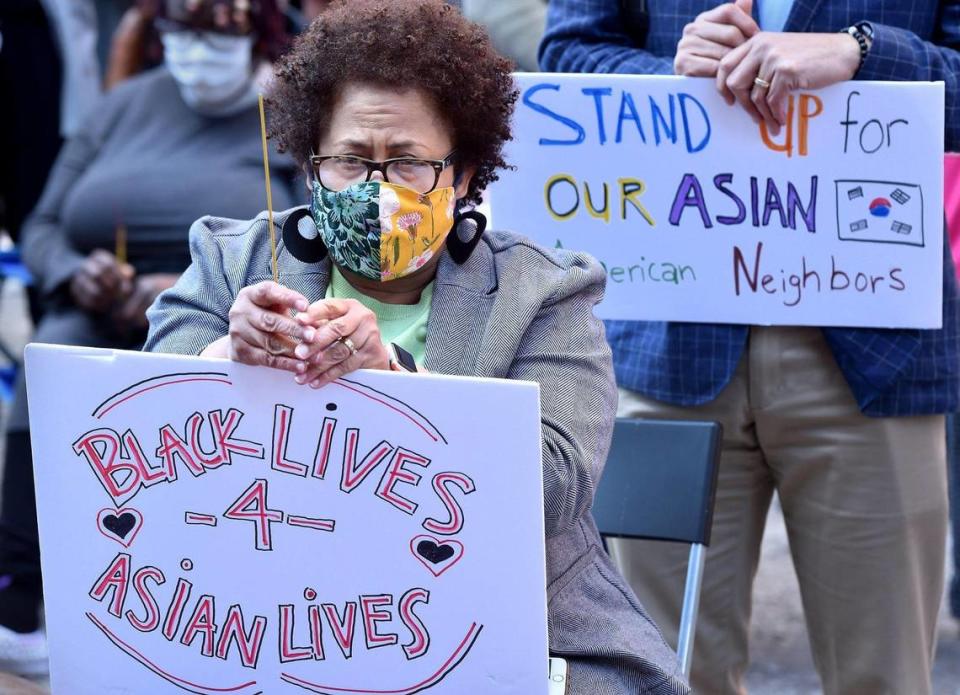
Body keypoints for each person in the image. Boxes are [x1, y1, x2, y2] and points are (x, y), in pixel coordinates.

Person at [144, 1, 689, 691]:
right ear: (312, 163)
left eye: (406, 163)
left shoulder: (543, 292)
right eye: (350, 159)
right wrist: (228, 354)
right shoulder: (235, 258)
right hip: (271, 621)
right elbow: (137, 411)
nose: (374, 189)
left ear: (462, 176)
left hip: (502, 627)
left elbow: (554, 488)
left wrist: (394, 380)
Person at [541, 1, 960, 694]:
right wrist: (674, 80)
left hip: (875, 346)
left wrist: (862, 52)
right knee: (662, 672)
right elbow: (567, 56)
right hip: (671, 338)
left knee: (882, 675)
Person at [0, 0, 296, 676]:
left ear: (259, 31)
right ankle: (19, 589)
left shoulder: (286, 113)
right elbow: (43, 226)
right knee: (55, 353)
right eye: (181, 31)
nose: (198, 47)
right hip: (102, 300)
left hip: (229, 307)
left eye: (218, 32)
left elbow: (309, 233)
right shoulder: (121, 106)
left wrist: (187, 287)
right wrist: (78, 272)